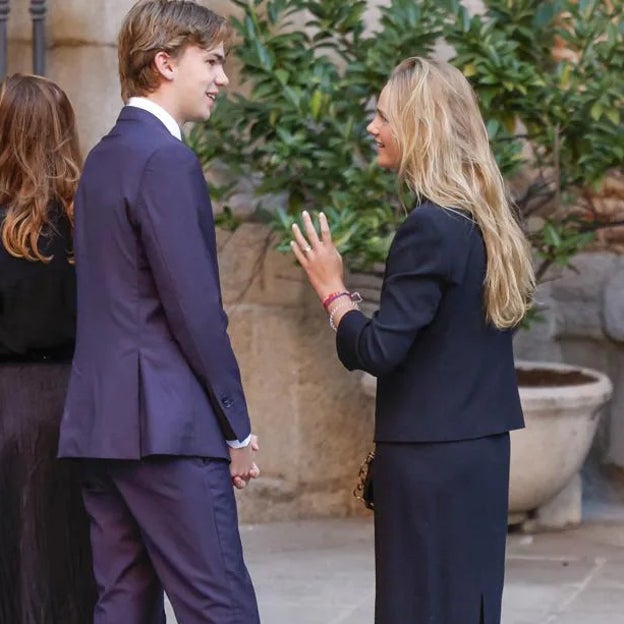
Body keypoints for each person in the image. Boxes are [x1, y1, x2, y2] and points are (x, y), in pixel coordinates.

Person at [291, 57, 535, 624]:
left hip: (431, 464)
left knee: (420, 608)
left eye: (383, 116)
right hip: (478, 455)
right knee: (468, 605)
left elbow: (379, 350)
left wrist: (333, 294)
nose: (372, 128)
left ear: (420, 126)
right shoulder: (483, 219)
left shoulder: (429, 226)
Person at [57, 1, 260, 623]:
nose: (222, 78)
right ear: (165, 62)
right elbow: (195, 310)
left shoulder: (103, 159)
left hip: (102, 426)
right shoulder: (165, 159)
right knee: (219, 606)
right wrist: (239, 429)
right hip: (167, 430)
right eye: (213, 61)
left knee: (123, 606)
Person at [0, 74, 96, 624]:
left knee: (15, 561)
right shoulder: (89, 222)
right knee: (70, 557)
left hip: (9, 401)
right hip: (76, 401)